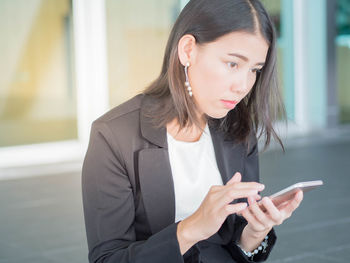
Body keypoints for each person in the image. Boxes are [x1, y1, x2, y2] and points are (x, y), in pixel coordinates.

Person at [81, 0, 304, 262]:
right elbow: (107, 258)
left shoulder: (237, 129)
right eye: (233, 64)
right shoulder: (113, 136)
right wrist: (191, 229)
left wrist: (256, 231)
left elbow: (236, 245)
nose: (243, 85)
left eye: (254, 69)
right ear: (188, 50)